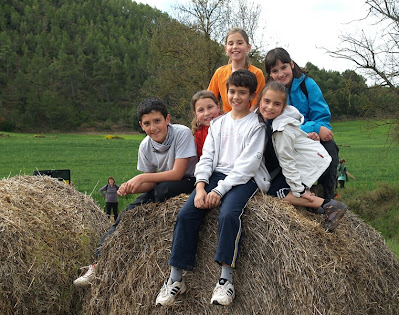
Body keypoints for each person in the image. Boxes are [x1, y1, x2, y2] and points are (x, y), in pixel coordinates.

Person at [155, 69, 270, 307]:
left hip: (242, 179)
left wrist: (219, 191)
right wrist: (200, 188)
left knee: (228, 215)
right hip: (214, 175)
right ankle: (176, 278)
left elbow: (247, 166)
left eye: (242, 93)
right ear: (225, 93)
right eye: (232, 92)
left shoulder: (256, 125)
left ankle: (225, 280)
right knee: (186, 214)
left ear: (252, 96)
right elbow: (207, 158)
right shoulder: (218, 123)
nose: (236, 97)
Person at [73, 98, 198, 288]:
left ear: (167, 119)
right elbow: (149, 185)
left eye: (157, 121)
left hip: (188, 181)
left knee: (163, 189)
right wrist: (129, 188)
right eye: (147, 123)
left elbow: (177, 173)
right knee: (126, 215)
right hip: (159, 187)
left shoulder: (182, 133)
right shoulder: (145, 146)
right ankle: (97, 264)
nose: (153, 127)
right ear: (141, 125)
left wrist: (140, 179)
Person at [259, 81, 348, 232]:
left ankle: (327, 205)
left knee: (275, 192)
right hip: (300, 162)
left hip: (305, 165)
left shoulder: (282, 129)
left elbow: (287, 161)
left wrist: (299, 190)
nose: (270, 107)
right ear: (260, 100)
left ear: (284, 107)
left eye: (276, 104)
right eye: (266, 101)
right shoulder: (273, 120)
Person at [264, 48, 339, 201]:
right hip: (287, 136)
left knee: (330, 147)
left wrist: (317, 131)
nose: (280, 74)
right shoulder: (272, 91)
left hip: (310, 135)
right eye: (275, 71)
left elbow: (322, 116)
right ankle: (295, 189)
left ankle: (328, 197)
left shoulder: (307, 85)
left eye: (283, 67)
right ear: (270, 74)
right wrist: (311, 128)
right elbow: (278, 124)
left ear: (291, 64)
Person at [208, 27, 265, 113]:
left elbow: (256, 105)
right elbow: (209, 99)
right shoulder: (220, 73)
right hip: (226, 120)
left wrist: (242, 121)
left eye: (240, 43)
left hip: (249, 120)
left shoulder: (257, 73)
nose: (235, 47)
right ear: (226, 49)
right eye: (231, 44)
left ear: (248, 47)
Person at [190, 90, 221, 159]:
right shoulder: (199, 134)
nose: (207, 113)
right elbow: (201, 158)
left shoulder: (230, 124)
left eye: (210, 107)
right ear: (196, 114)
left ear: (218, 107)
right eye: (201, 110)